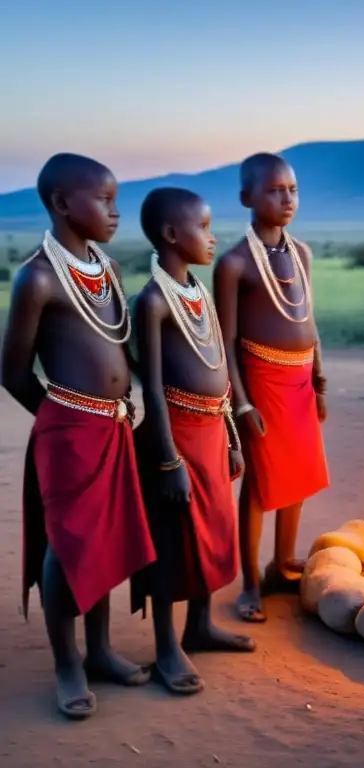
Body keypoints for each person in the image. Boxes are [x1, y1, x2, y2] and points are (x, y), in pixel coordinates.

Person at [0, 153, 157, 719]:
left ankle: (100, 651)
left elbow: (121, 347)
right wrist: (63, 418)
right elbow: (12, 370)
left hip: (113, 425)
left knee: (106, 539)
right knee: (67, 546)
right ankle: (66, 664)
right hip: (69, 432)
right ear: (63, 204)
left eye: (117, 199)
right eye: (106, 200)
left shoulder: (106, 269)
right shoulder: (37, 277)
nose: (117, 212)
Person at [131, 187, 256, 695]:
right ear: (170, 235)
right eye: (203, 228)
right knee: (173, 540)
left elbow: (218, 371)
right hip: (176, 438)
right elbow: (155, 392)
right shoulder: (155, 300)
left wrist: (231, 436)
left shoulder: (197, 292)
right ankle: (166, 648)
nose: (212, 237)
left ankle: (199, 627)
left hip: (210, 433)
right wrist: (168, 461)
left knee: (212, 534)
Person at [213, 153, 330, 623]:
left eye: (293, 190)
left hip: (301, 379)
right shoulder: (234, 263)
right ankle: (251, 584)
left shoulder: (301, 253)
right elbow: (225, 342)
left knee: (296, 476)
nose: (287, 199)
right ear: (247, 198)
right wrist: (240, 405)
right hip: (261, 381)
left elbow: (309, 322)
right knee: (262, 483)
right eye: (275, 190)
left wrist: (319, 380)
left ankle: (282, 565)